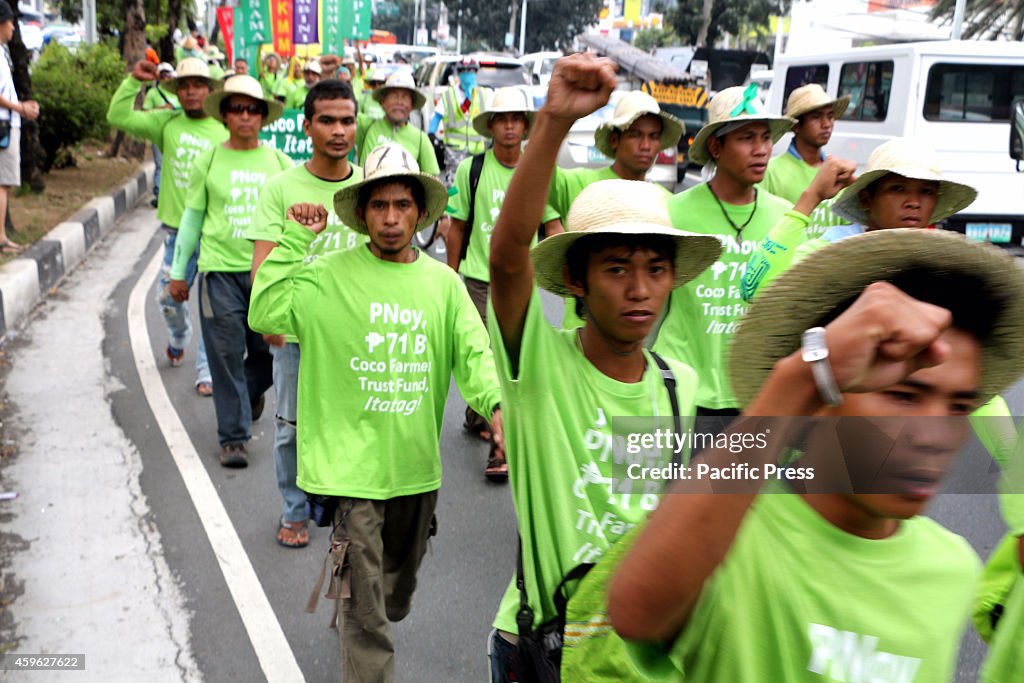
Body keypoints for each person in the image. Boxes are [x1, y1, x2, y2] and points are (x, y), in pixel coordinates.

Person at [609, 227, 1024, 682]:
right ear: (825, 396)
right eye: (904, 396)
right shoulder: (723, 532)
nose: (936, 435)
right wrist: (803, 377)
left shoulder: (951, 569)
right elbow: (636, 612)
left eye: (959, 406)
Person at [484, 53, 721, 681]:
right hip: (541, 647)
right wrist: (554, 124)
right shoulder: (536, 366)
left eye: (656, 269)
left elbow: (645, 510)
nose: (640, 289)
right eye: (617, 268)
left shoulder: (678, 386)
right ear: (576, 281)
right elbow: (508, 261)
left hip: (631, 653)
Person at [248, 143, 502, 681]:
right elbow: (266, 312)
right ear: (362, 214)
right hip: (350, 471)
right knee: (369, 622)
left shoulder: (444, 285)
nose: (391, 218)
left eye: (403, 206)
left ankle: (355, 598)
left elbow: (475, 354)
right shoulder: (326, 276)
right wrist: (295, 240)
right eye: (380, 206)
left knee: (395, 595)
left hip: (413, 471)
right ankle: (355, 609)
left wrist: (496, 406)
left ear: (420, 213)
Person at [247, 79, 367, 548]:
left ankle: (347, 513)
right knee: (290, 429)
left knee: (353, 427)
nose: (339, 130)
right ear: (307, 126)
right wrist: (275, 325)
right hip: (297, 338)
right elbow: (262, 267)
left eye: (347, 120)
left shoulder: (367, 188)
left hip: (356, 339)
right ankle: (295, 511)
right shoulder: (280, 188)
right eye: (328, 120)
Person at [650, 85, 795, 422]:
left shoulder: (785, 218)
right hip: (681, 396)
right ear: (716, 146)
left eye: (765, 138)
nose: (761, 150)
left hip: (758, 398)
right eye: (746, 138)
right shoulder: (671, 214)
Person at [167, 75, 290, 467]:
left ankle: (247, 393)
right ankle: (234, 437)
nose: (245, 116)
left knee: (268, 354)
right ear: (223, 115)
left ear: (262, 116)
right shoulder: (211, 158)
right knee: (223, 354)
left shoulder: (278, 161)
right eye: (236, 108)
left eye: (252, 109)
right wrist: (177, 272)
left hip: (267, 275)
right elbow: (191, 219)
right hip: (219, 272)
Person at [446, 86, 562, 477]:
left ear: (526, 126)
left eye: (517, 119)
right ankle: (500, 441)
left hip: (523, 283)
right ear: (491, 125)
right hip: (478, 278)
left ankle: (484, 418)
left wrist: (563, 278)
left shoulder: (539, 170)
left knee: (514, 358)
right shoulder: (471, 170)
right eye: (502, 119)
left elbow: (552, 225)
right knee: (483, 354)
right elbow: (457, 226)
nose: (510, 126)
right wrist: (451, 277)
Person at [742, 137, 975, 301]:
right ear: (866, 199)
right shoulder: (833, 251)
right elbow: (754, 289)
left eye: (926, 191)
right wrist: (811, 197)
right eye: (897, 188)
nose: (913, 202)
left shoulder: (939, 264)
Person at [107, 57, 221, 393]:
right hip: (177, 235)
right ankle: (178, 336)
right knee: (168, 300)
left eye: (198, 85)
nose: (190, 92)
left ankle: (206, 372)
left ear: (210, 90)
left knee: (212, 309)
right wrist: (133, 81)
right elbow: (117, 116)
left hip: (216, 233)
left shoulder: (225, 127)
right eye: (184, 86)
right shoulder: (166, 123)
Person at [547, 90, 684, 329]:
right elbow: (536, 178)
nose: (645, 145)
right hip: (581, 335)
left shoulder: (666, 204)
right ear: (614, 140)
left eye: (653, 136)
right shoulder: (579, 183)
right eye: (635, 135)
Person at [760, 83, 850, 230]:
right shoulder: (770, 172)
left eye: (830, 116)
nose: (826, 124)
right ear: (796, 126)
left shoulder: (838, 172)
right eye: (816, 117)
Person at [0, 0, 39, 255]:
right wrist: (21, 109)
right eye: (10, 21)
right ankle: (1, 239)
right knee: (2, 184)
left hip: (8, 122)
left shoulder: (2, 52)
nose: (14, 26)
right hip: (3, 125)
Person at [355, 70, 438, 175]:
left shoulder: (421, 139)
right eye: (393, 96)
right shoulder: (366, 126)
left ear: (412, 105)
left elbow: (433, 179)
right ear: (382, 102)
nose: (399, 102)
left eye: (405, 97)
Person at [429, 57, 489, 179]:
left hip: (477, 150)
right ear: (458, 73)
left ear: (475, 72)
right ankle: (451, 199)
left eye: (470, 71)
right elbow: (436, 117)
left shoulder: (484, 94)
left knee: (477, 182)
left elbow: (493, 118)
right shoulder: (448, 95)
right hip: (454, 152)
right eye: (463, 71)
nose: (467, 73)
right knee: (454, 182)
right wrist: (431, 134)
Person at [143, 63, 180, 208]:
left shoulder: (177, 93)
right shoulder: (153, 93)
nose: (165, 78)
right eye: (163, 75)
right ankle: (159, 195)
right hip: (159, 133)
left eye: (168, 75)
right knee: (160, 165)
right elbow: (146, 113)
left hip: (177, 135)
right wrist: (163, 109)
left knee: (176, 165)